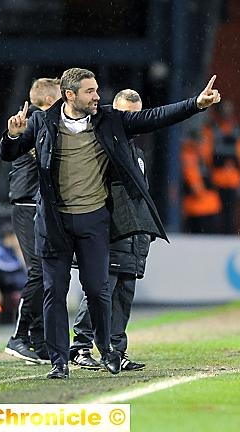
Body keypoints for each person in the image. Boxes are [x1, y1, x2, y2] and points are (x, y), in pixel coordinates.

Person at [0, 68, 221, 379]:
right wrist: (11, 135)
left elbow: (156, 117)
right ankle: (59, 362)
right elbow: (9, 154)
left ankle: (107, 350)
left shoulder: (108, 119)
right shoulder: (41, 121)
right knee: (54, 292)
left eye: (97, 90)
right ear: (70, 95)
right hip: (54, 224)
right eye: (90, 91)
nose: (97, 96)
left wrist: (195, 104)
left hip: (93, 221)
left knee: (98, 290)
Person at [69, 89, 148, 372]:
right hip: (108, 234)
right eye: (125, 115)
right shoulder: (98, 145)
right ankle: (80, 347)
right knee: (100, 292)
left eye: (136, 116)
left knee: (123, 296)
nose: (131, 121)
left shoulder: (136, 153)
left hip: (132, 238)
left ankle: (117, 351)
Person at [4, 78, 61, 364]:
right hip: (28, 203)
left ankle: (39, 341)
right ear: (50, 101)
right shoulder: (36, 122)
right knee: (39, 270)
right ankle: (19, 336)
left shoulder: (41, 122)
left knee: (47, 272)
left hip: (36, 203)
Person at [201, 101, 240, 233]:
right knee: (216, 212)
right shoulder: (211, 129)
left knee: (230, 214)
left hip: (233, 179)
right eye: (224, 110)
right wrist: (208, 173)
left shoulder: (237, 130)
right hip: (216, 178)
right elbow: (205, 153)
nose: (227, 113)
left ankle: (228, 235)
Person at [180, 129, 222, 233]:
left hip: (208, 205)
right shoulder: (189, 156)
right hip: (198, 208)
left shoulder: (204, 157)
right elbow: (195, 186)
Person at [0, 224, 26, 324]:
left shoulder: (14, 250)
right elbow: (4, 271)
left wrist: (18, 251)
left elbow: (24, 268)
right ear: (8, 237)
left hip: (16, 284)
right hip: (3, 285)